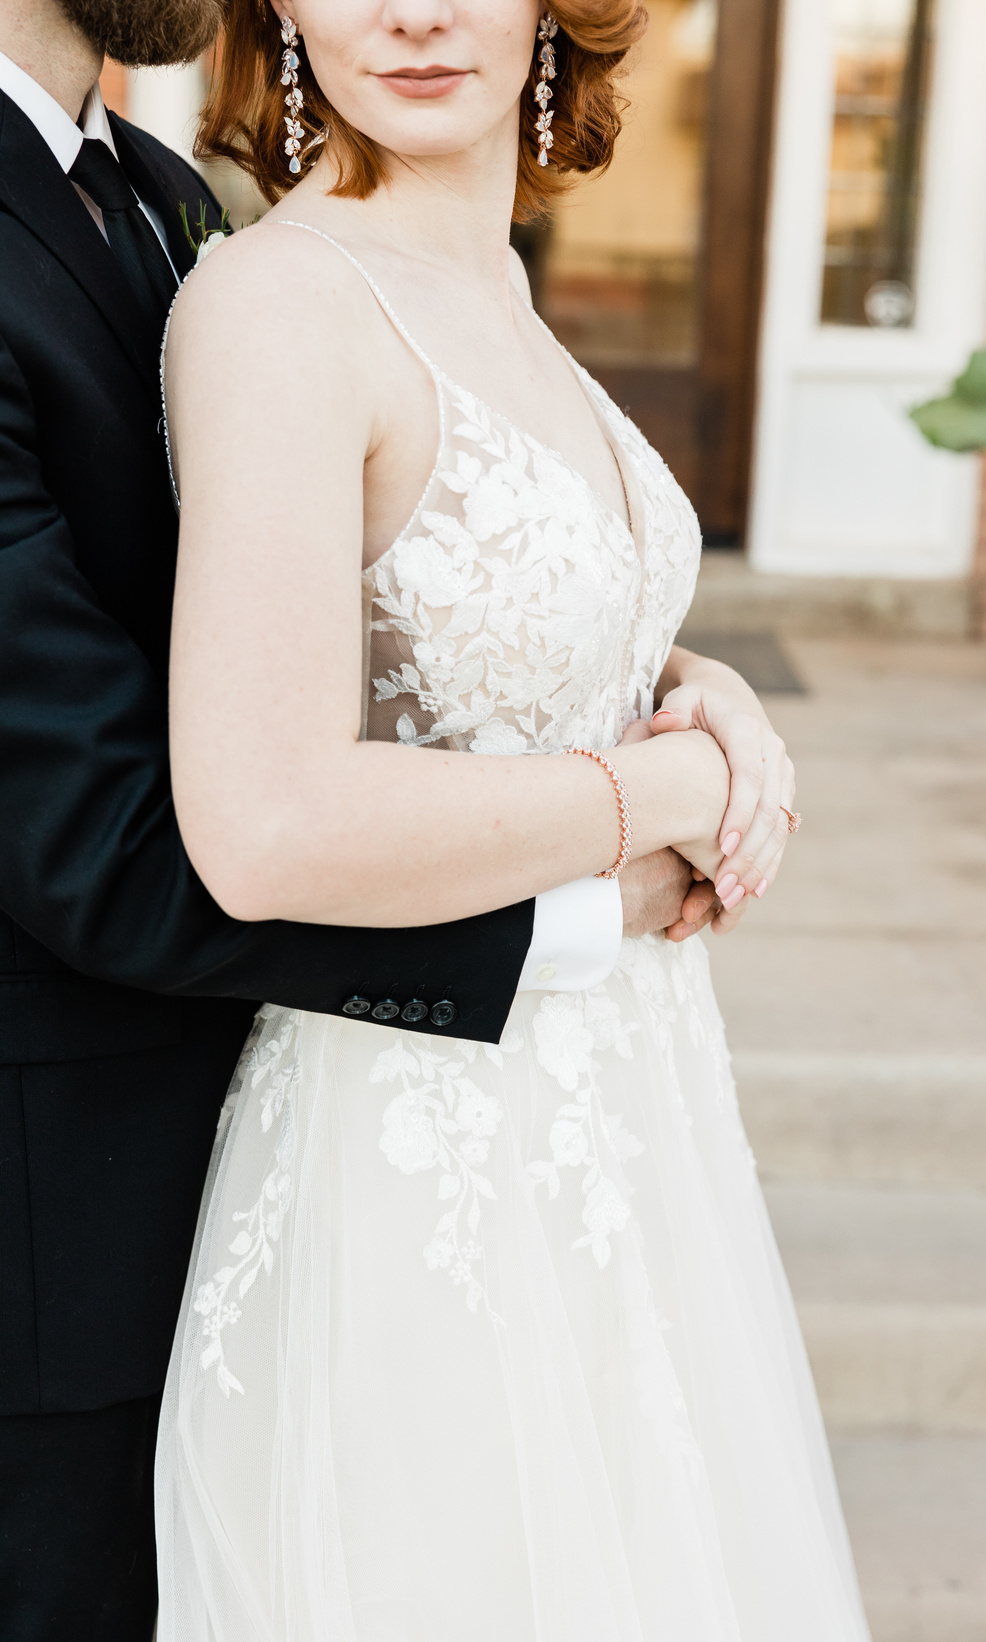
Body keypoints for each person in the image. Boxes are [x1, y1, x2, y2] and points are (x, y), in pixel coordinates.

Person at [0, 0, 767, 1635]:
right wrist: (622, 844)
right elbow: (168, 820)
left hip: (597, 1129)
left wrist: (701, 688)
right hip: (189, 1181)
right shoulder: (265, 289)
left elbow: (359, 606)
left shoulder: (152, 196)